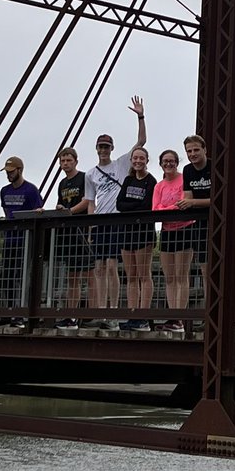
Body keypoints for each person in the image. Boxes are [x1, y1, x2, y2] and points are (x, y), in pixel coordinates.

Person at [81, 96, 146, 329]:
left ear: (112, 149)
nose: (103, 150)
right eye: (101, 147)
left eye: (107, 147)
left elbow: (141, 142)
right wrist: (90, 228)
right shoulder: (91, 174)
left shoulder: (119, 164)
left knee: (111, 266)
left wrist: (140, 116)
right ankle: (100, 311)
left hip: (116, 219)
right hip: (100, 221)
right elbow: (90, 202)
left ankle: (112, 310)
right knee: (98, 268)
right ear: (97, 149)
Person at [0, 155, 43, 327]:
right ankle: (9, 311)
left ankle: (20, 313)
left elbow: (37, 210)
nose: (8, 175)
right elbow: (6, 211)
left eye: (11, 171)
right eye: (7, 172)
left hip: (24, 240)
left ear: (19, 170)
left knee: (22, 276)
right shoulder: (4, 191)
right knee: (8, 276)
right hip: (9, 239)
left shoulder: (31, 190)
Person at [152, 148, 194, 333]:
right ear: (161, 164)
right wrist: (170, 209)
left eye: (172, 161)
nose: (168, 164)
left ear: (177, 162)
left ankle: (179, 317)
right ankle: (172, 315)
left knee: (181, 274)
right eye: (165, 161)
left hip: (185, 228)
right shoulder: (159, 186)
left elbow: (183, 204)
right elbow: (155, 208)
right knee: (169, 277)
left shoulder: (184, 179)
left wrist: (166, 208)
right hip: (167, 230)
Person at [116, 147, 157, 331]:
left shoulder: (151, 181)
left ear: (147, 160)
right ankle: (132, 314)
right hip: (127, 231)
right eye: (135, 158)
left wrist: (130, 207)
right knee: (130, 276)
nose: (138, 161)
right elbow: (119, 204)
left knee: (143, 274)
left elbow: (147, 205)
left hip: (143, 232)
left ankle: (143, 315)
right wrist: (134, 206)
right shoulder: (128, 179)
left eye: (141, 158)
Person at [54, 146, 89, 329]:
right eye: (63, 161)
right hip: (67, 233)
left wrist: (69, 212)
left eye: (69, 160)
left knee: (89, 274)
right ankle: (71, 314)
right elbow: (60, 202)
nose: (66, 163)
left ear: (76, 161)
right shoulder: (62, 184)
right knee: (72, 277)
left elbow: (87, 201)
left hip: (81, 230)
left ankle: (89, 314)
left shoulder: (83, 178)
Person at [177, 134, 211, 308]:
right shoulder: (188, 170)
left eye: (196, 150)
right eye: (189, 151)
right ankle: (207, 309)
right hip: (199, 223)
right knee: (204, 268)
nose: (192, 154)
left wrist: (192, 203)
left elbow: (220, 200)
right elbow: (187, 197)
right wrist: (191, 203)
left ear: (204, 149)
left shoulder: (214, 166)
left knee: (217, 269)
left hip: (217, 221)